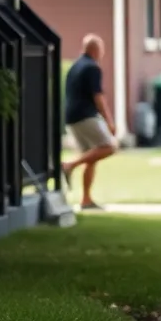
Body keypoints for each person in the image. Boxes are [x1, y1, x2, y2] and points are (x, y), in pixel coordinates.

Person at [62, 34, 117, 211]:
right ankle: (69, 165)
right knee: (109, 147)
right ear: (95, 50)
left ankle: (86, 199)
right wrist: (109, 121)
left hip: (71, 118)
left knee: (91, 157)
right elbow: (98, 97)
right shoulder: (93, 68)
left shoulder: (74, 66)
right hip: (86, 116)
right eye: (101, 50)